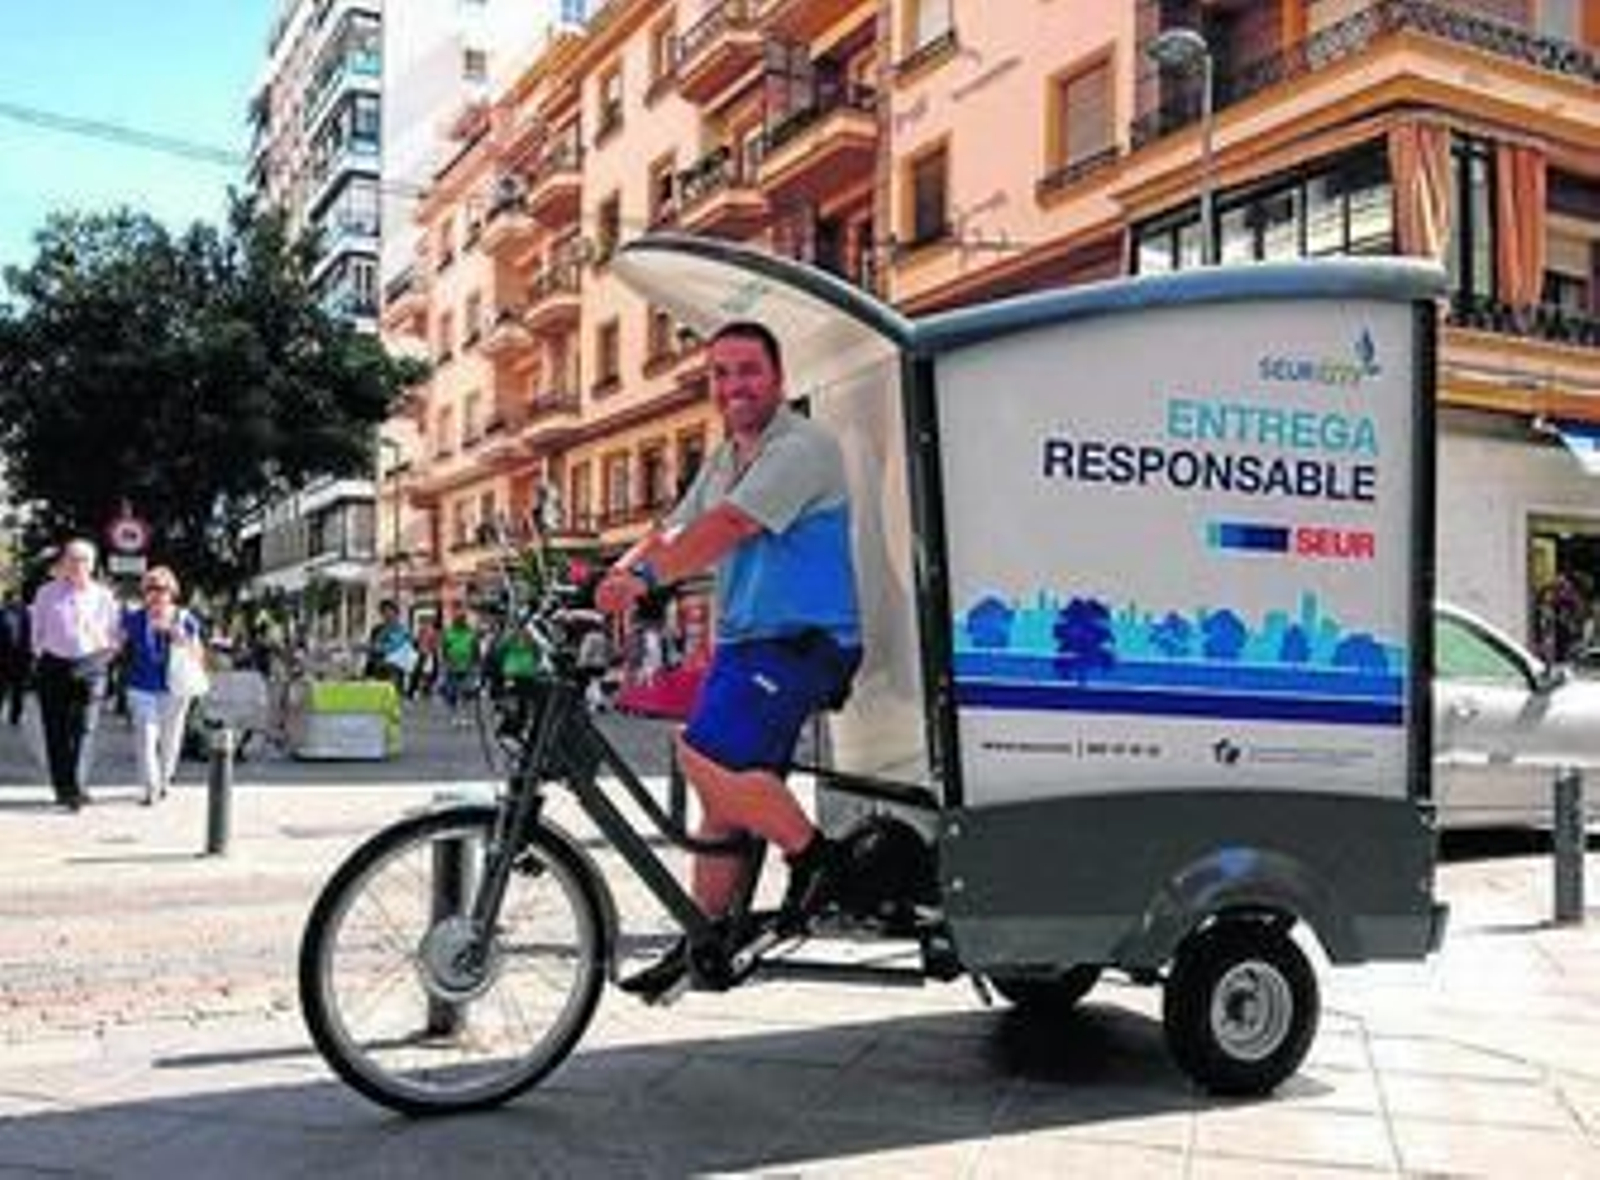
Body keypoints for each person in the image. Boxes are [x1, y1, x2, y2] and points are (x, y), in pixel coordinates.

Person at [596, 320, 863, 1000]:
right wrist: (608, 576)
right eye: (720, 373)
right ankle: (703, 937)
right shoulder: (725, 456)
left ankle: (820, 861)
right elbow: (676, 527)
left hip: (804, 640)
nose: (733, 386)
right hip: (748, 642)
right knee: (722, 805)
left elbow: (731, 527)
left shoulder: (801, 448)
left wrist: (649, 582)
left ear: (778, 378)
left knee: (702, 756)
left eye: (747, 370)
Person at [29, 539, 122, 810]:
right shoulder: (46, 592)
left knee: (84, 728)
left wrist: (104, 658)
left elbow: (114, 633)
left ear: (92, 565)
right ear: (64, 563)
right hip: (53, 665)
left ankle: (77, 786)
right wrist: (40, 653)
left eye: (83, 560)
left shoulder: (103, 595)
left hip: (90, 664)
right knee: (55, 730)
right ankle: (63, 787)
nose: (77, 565)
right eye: (72, 559)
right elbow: (37, 630)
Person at [121, 565, 205, 805]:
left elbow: (198, 655)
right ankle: (151, 787)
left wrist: (177, 635)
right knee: (145, 736)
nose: (156, 594)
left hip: (175, 687)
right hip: (140, 685)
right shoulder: (135, 618)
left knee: (170, 738)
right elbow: (118, 643)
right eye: (150, 588)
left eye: (161, 588)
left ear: (172, 591)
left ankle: (165, 779)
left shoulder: (184, 618)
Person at [438, 610, 481, 725]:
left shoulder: (471, 633)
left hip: (467, 666)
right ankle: (455, 715)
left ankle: (466, 715)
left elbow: (476, 650)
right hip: (452, 666)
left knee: (466, 692)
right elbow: (444, 649)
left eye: (462, 619)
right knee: (453, 693)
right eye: (458, 619)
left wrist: (476, 666)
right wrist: (445, 663)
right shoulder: (448, 633)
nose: (460, 621)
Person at [364, 599, 415, 691]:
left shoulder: (403, 631)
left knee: (393, 698)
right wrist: (368, 671)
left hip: (395, 672)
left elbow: (403, 651)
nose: (387, 614)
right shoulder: (377, 629)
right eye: (384, 612)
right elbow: (371, 651)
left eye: (390, 611)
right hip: (377, 669)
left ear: (396, 613)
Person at [0, 593, 30, 725]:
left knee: (19, 690)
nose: (15, 602)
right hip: (3, 658)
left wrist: (31, 655)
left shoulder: (26, 615)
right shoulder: (1, 614)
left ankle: (16, 716)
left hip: (21, 658)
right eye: (11, 600)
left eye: (17, 600)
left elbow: (30, 635)